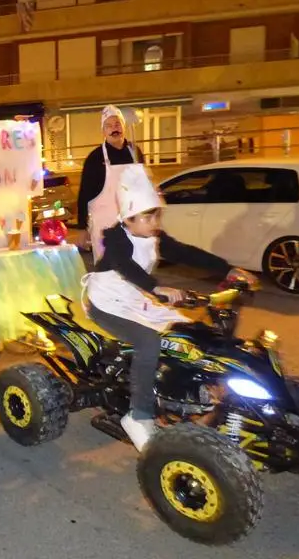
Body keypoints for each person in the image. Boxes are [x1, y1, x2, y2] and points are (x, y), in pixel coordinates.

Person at [81, 165, 258, 452]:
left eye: (156, 214)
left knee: (189, 333)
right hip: (108, 303)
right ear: (129, 217)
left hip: (138, 299)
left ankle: (190, 391)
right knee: (148, 342)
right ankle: (138, 415)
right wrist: (156, 287)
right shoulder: (115, 238)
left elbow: (187, 253)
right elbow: (125, 266)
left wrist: (229, 269)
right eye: (148, 216)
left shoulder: (155, 237)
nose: (154, 221)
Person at [76, 105, 143, 253]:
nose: (114, 129)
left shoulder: (135, 152)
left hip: (132, 223)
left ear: (124, 126)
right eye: (109, 126)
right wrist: (82, 228)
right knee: (108, 270)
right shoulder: (95, 158)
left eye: (117, 124)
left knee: (136, 266)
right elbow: (84, 194)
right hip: (104, 226)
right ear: (103, 131)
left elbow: (142, 186)